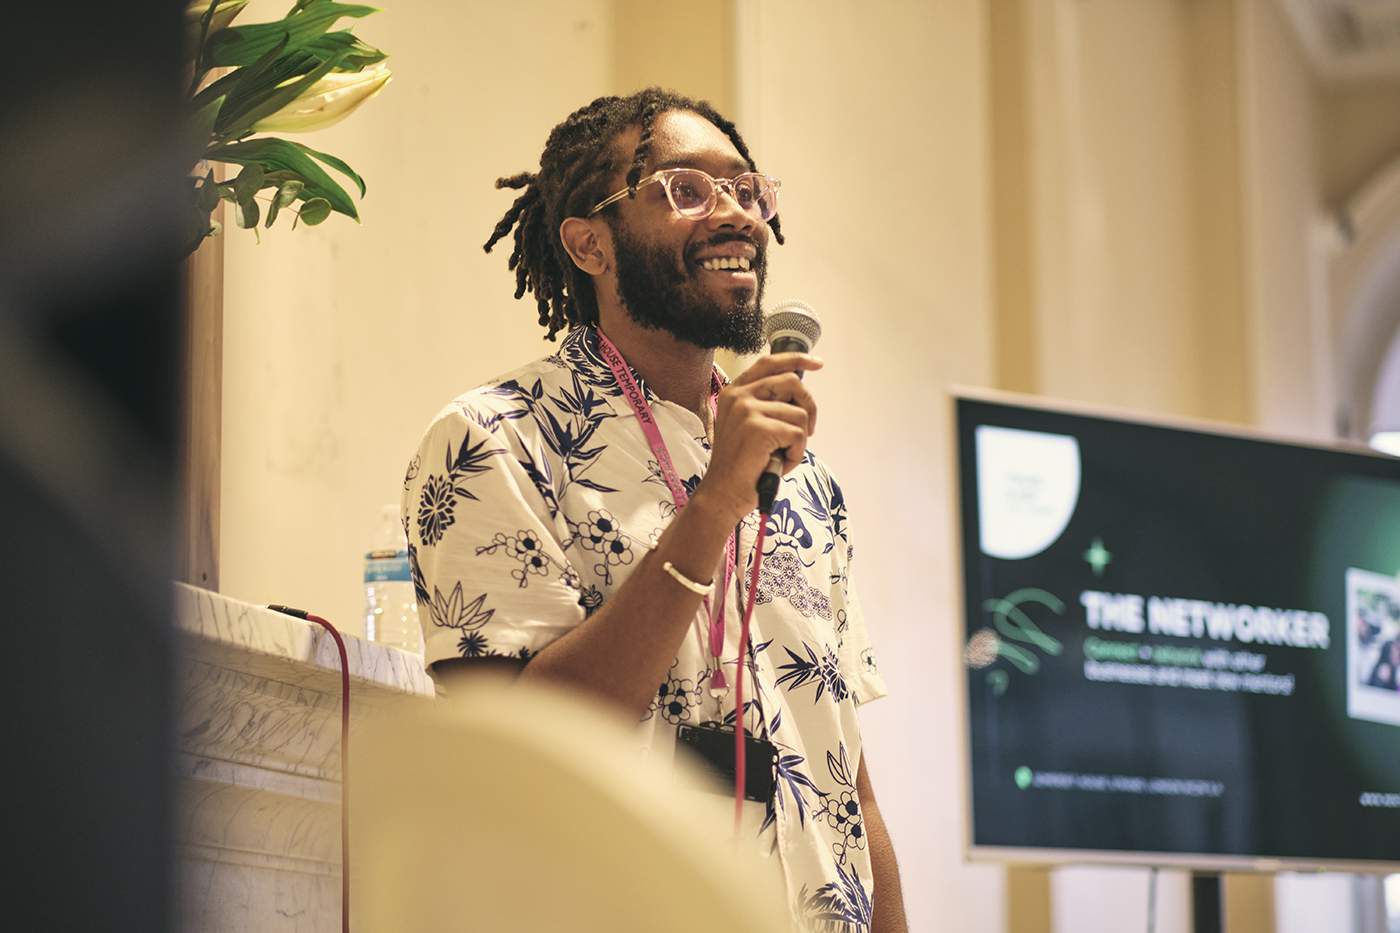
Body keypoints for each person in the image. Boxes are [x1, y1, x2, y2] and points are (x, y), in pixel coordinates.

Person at [403, 87, 907, 933]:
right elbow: (522, 748)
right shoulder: (495, 441)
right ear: (589, 243)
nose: (735, 214)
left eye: (747, 190)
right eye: (685, 188)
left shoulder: (806, 482)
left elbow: (846, 777)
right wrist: (713, 506)